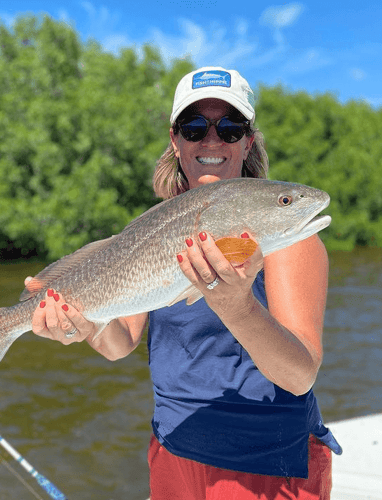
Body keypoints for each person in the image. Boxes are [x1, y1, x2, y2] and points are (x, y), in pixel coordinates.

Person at [27, 67, 341, 500]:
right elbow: (121, 344)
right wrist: (85, 325)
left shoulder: (289, 239)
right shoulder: (154, 231)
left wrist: (236, 305)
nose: (212, 141)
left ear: (248, 142)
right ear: (175, 141)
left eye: (230, 128)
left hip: (267, 465)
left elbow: (299, 375)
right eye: (195, 128)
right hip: (172, 451)